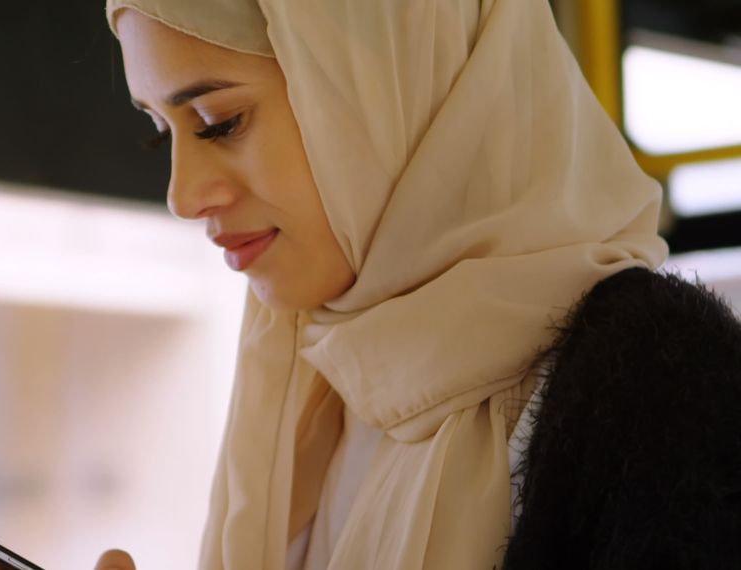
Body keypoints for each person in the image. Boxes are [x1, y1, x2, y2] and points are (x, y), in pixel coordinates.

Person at [96, 0, 741, 569]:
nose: (182, 197)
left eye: (219, 122)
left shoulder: (663, 386)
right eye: (161, 135)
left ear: (384, 83)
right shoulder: (308, 381)